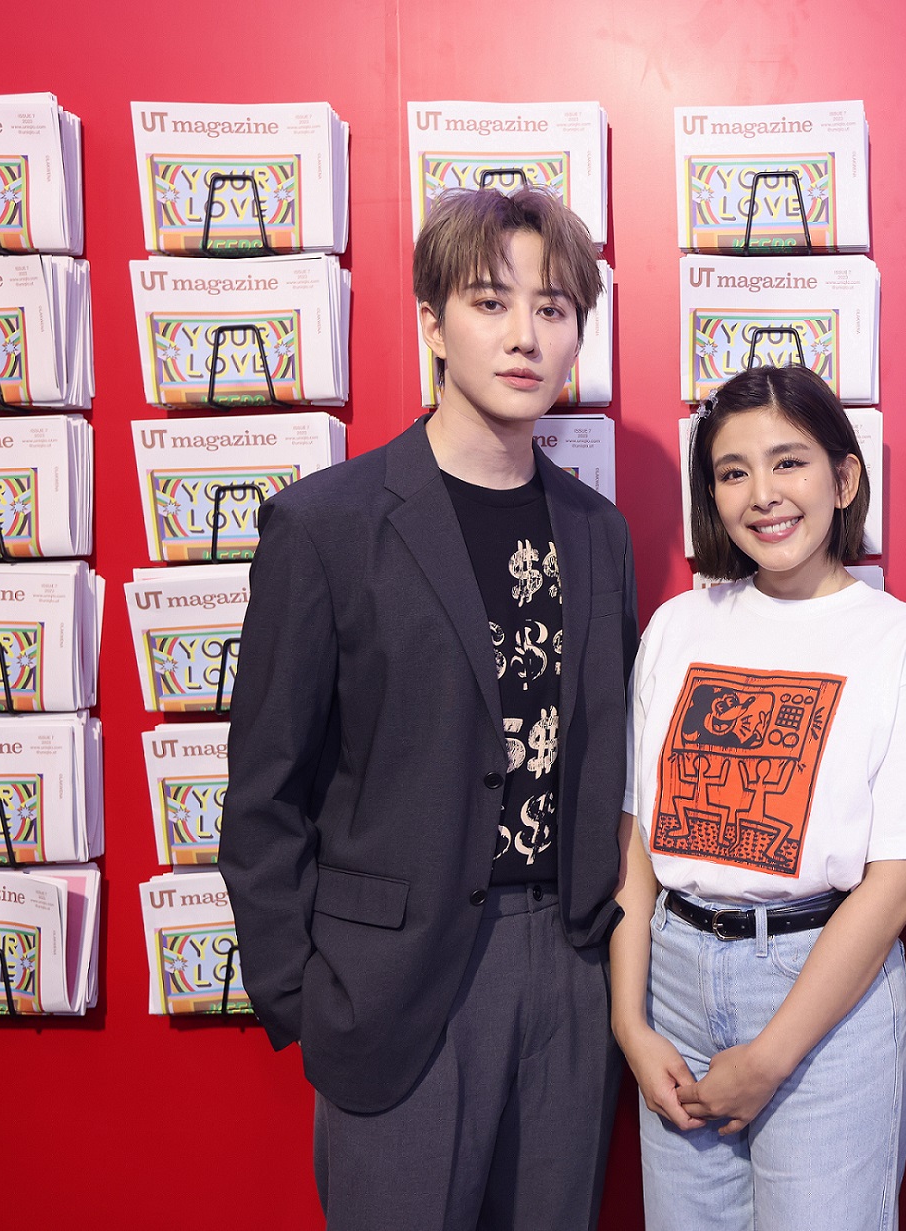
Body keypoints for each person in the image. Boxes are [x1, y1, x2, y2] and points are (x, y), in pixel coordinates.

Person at [219, 187, 636, 1231]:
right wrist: (306, 996)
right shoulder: (328, 526)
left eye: (552, 308)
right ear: (432, 325)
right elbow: (263, 791)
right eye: (491, 303)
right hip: (395, 984)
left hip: (567, 968)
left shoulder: (597, 531)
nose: (524, 335)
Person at [610, 364, 906, 1231]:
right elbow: (635, 841)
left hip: (821, 997)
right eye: (733, 471)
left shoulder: (904, 644)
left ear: (843, 478)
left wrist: (771, 1055)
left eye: (789, 462)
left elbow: (898, 883)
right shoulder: (677, 627)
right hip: (672, 982)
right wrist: (630, 1023)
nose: (763, 494)